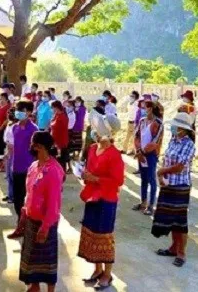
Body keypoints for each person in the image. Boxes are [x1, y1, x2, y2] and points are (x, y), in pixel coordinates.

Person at [78, 115, 124, 291]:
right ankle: (97, 270)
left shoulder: (114, 155)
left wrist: (96, 179)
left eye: (99, 131)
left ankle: (107, 274)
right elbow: (89, 170)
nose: (95, 133)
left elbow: (118, 181)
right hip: (91, 196)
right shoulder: (92, 149)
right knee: (91, 233)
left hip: (106, 199)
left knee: (104, 237)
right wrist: (84, 174)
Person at [19, 132, 65, 292]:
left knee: (48, 261)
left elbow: (54, 203)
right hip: (31, 219)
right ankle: (34, 286)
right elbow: (29, 192)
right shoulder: (34, 166)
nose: (30, 147)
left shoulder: (53, 171)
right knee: (32, 258)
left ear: (39, 147)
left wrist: (45, 227)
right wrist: (24, 212)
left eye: (32, 144)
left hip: (45, 222)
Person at [152, 112, 196, 268]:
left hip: (180, 187)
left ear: (182, 129)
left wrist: (161, 172)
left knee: (180, 222)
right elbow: (166, 160)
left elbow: (179, 167)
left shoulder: (189, 144)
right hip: (168, 185)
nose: (173, 128)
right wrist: (161, 176)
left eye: (175, 126)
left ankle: (181, 253)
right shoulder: (173, 140)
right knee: (170, 219)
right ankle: (173, 248)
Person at [8, 100, 38, 238]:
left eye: (22, 110)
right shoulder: (14, 127)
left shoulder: (33, 130)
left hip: (28, 168)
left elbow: (37, 151)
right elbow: (12, 147)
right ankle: (20, 223)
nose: (19, 113)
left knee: (28, 199)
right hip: (15, 167)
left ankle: (26, 226)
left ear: (29, 112)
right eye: (18, 110)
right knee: (17, 199)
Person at [133, 101, 164, 215]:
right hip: (141, 154)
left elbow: (155, 141)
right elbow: (136, 136)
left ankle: (151, 205)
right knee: (144, 179)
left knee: (151, 179)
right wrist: (138, 151)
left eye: (144, 108)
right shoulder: (142, 121)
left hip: (151, 155)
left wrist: (143, 152)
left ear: (150, 109)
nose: (143, 110)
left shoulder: (158, 123)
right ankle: (143, 202)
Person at [50, 100, 70, 174]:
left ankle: (61, 175)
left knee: (61, 162)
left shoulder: (63, 117)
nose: (52, 109)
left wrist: (58, 145)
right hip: (55, 142)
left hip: (60, 143)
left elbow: (62, 132)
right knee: (55, 161)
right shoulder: (56, 115)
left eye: (52, 108)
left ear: (56, 107)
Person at [2, 108, 17, 203]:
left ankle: (14, 196)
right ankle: (10, 194)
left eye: (11, 113)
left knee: (12, 175)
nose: (9, 115)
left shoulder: (17, 126)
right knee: (8, 175)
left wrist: (9, 152)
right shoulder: (9, 124)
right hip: (8, 150)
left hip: (14, 152)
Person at [123, 91, 140, 155]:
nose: (131, 97)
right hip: (129, 122)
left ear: (136, 98)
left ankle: (134, 151)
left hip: (134, 123)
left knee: (134, 138)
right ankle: (124, 150)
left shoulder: (137, 104)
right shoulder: (129, 103)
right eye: (130, 96)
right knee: (127, 137)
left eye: (133, 96)